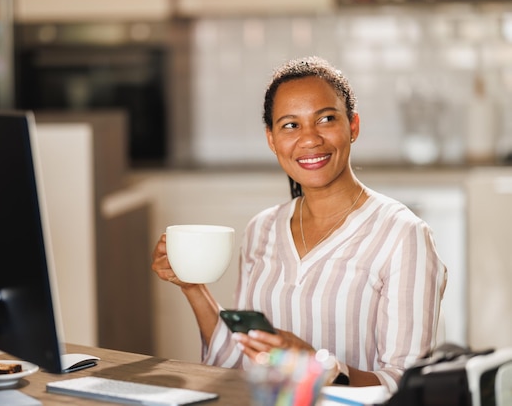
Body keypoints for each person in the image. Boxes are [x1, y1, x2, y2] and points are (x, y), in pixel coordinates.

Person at [151, 56, 447, 392]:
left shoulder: (403, 235)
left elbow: (408, 387)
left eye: (325, 119)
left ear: (353, 126)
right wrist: (192, 285)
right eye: (291, 125)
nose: (310, 139)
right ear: (272, 139)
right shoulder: (261, 229)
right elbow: (237, 361)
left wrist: (321, 367)